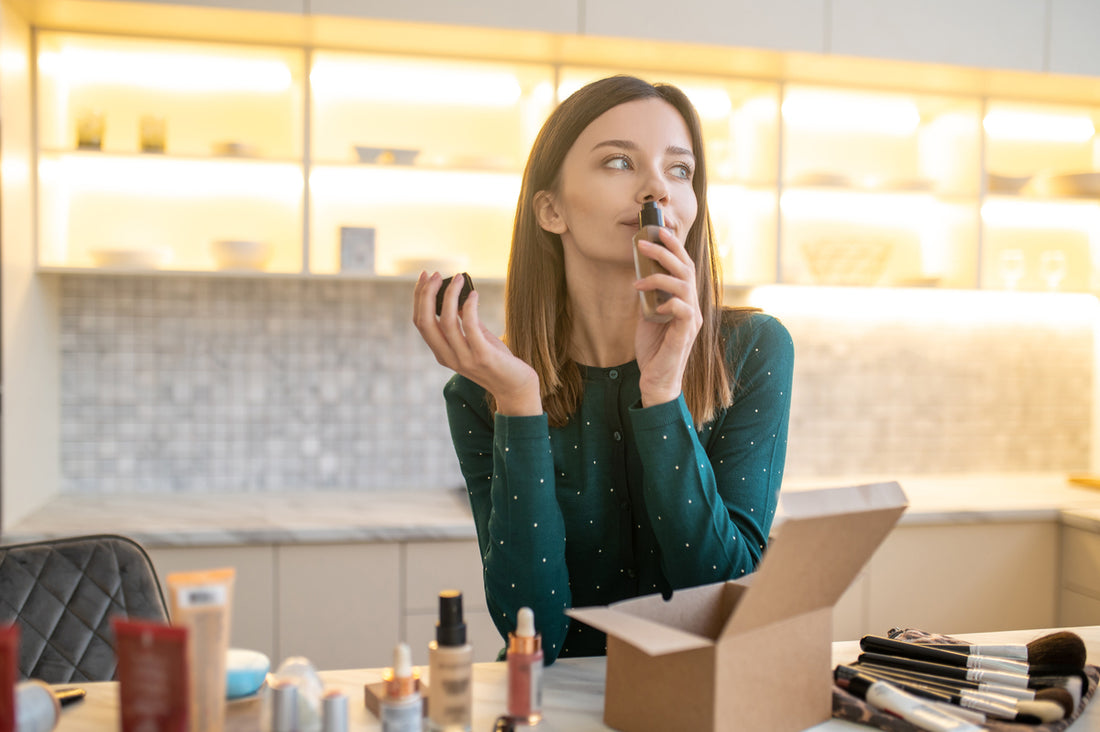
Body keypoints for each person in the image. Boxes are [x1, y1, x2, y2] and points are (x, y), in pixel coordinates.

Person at [412, 75, 794, 665]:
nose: (656, 191)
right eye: (619, 162)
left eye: (680, 170)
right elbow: (533, 637)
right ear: (551, 208)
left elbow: (725, 602)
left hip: (697, 703)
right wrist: (519, 403)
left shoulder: (752, 351)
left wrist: (662, 391)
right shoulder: (482, 392)